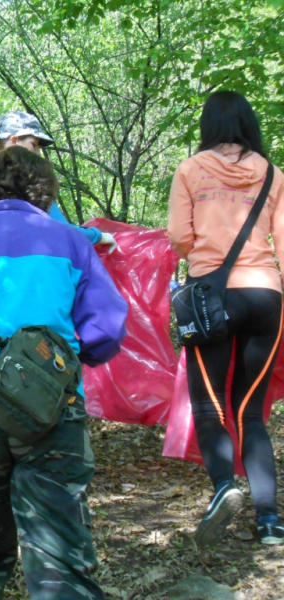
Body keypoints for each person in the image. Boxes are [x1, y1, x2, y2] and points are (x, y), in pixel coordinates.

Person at [0, 146, 128, 599]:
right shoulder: (69, 240)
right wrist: (65, 364)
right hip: (50, 403)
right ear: (45, 190)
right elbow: (107, 327)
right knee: (58, 552)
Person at [167, 91, 284, 546]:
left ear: (208, 125)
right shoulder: (273, 174)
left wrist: (197, 257)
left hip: (209, 296)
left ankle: (223, 490)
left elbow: (179, 234)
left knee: (208, 403)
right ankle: (271, 521)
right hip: (265, 295)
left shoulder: (190, 169)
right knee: (251, 412)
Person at [0, 111, 117, 260]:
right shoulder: (24, 179)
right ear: (15, 141)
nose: (38, 152)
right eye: (34, 144)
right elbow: (62, 230)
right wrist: (99, 236)